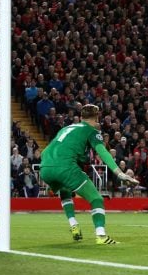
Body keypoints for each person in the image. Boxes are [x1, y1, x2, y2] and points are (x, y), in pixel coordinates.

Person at [40, 104, 139, 244]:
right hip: (65, 168)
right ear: (97, 117)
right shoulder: (92, 131)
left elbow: (47, 151)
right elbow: (103, 152)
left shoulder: (66, 128)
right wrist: (119, 173)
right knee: (96, 199)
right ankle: (101, 235)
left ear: (81, 117)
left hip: (45, 167)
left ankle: (73, 224)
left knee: (65, 190)